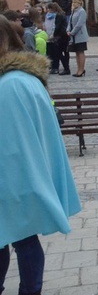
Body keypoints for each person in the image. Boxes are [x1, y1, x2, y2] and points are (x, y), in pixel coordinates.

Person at [0, 15, 81, 295]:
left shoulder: (10, 84)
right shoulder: (22, 78)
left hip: (13, 176)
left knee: (19, 239)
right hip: (21, 175)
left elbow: (12, 140)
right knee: (17, 238)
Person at [67, 0, 88, 77]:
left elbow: (79, 24)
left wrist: (72, 32)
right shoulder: (74, 11)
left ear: (79, 3)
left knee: (80, 51)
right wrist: (68, 30)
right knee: (76, 52)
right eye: (73, 2)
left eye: (75, 2)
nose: (73, 3)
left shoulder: (82, 11)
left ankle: (81, 69)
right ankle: (78, 68)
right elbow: (70, 22)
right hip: (73, 36)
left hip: (80, 35)